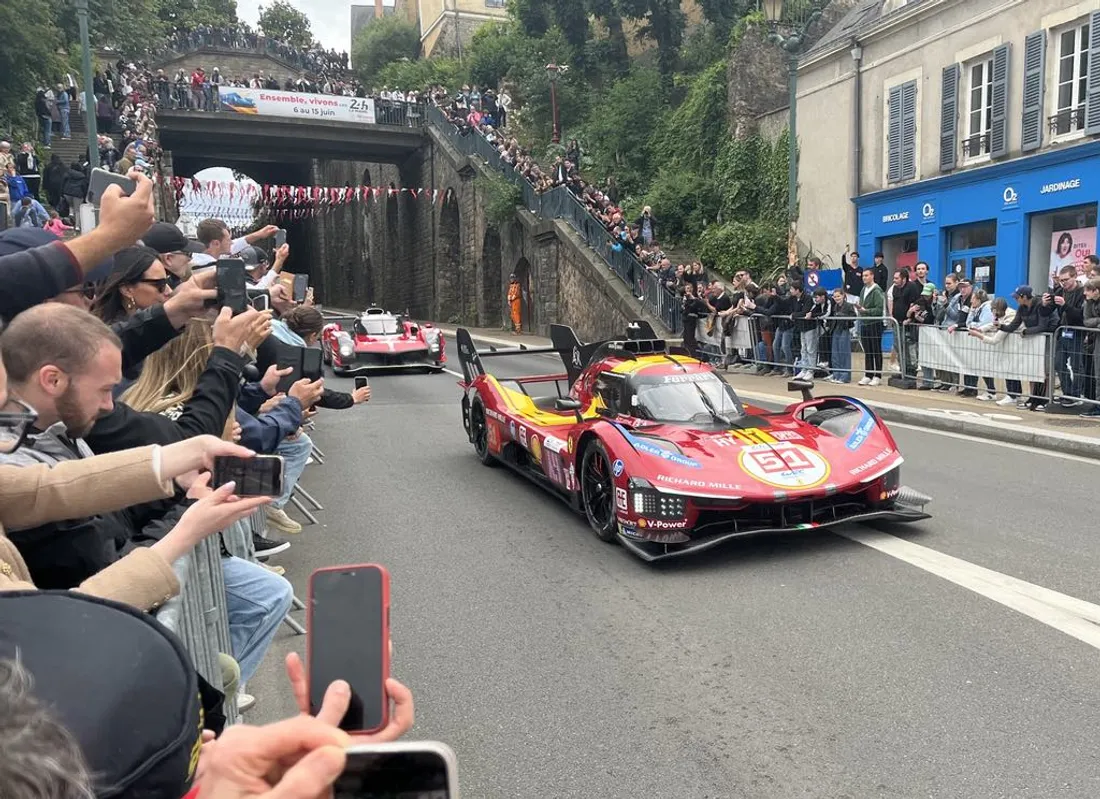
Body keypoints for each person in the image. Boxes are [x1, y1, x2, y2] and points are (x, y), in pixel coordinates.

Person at [91, 245, 174, 323]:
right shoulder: (115, 334)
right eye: (160, 284)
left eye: (167, 281)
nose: (169, 291)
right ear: (127, 290)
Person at [857, 267, 886, 385]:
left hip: (874, 323)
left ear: (872, 276)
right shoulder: (863, 289)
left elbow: (879, 309)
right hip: (865, 323)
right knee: (867, 350)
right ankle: (868, 374)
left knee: (876, 350)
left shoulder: (877, 290)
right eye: (863, 276)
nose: (864, 278)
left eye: (867, 275)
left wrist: (866, 311)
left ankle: (877, 375)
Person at [826, 287, 855, 384]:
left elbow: (854, 317)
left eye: (838, 296)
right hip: (835, 330)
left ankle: (845, 376)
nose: (836, 298)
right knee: (835, 354)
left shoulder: (849, 306)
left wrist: (842, 316)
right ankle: (836, 375)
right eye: (834, 297)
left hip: (844, 329)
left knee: (844, 354)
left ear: (843, 296)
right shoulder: (835, 307)